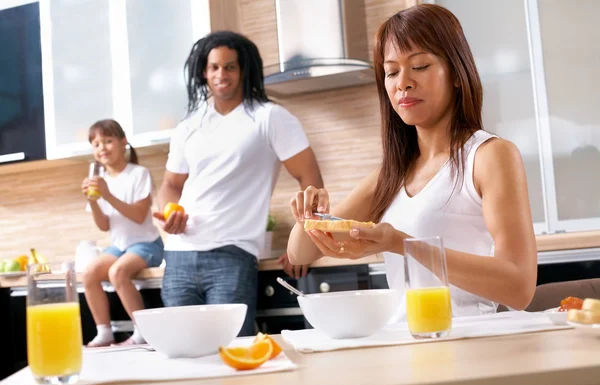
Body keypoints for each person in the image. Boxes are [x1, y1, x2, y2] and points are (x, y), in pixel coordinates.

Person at [287, 4, 538, 319]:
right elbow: (300, 252)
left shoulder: (488, 156)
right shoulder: (392, 175)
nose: (402, 82)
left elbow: (519, 288)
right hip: (406, 349)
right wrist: (312, 217)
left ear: (457, 74)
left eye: (419, 66)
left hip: (471, 345)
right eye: (391, 71)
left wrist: (400, 243)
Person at [154, 31, 323, 336]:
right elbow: (169, 184)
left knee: (231, 354)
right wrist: (170, 211)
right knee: (182, 358)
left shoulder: (270, 118)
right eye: (214, 67)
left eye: (230, 67)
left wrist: (305, 241)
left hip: (232, 257)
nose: (222, 74)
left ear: (244, 70)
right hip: (178, 257)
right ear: (203, 72)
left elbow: (310, 179)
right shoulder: (189, 126)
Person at [81, 119, 164, 346]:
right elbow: (104, 226)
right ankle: (104, 332)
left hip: (147, 244)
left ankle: (141, 332)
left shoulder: (139, 174)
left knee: (118, 272)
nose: (102, 148)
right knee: (88, 274)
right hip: (119, 246)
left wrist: (107, 195)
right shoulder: (101, 182)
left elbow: (138, 216)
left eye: (108, 141)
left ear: (123, 142)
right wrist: (94, 201)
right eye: (96, 144)